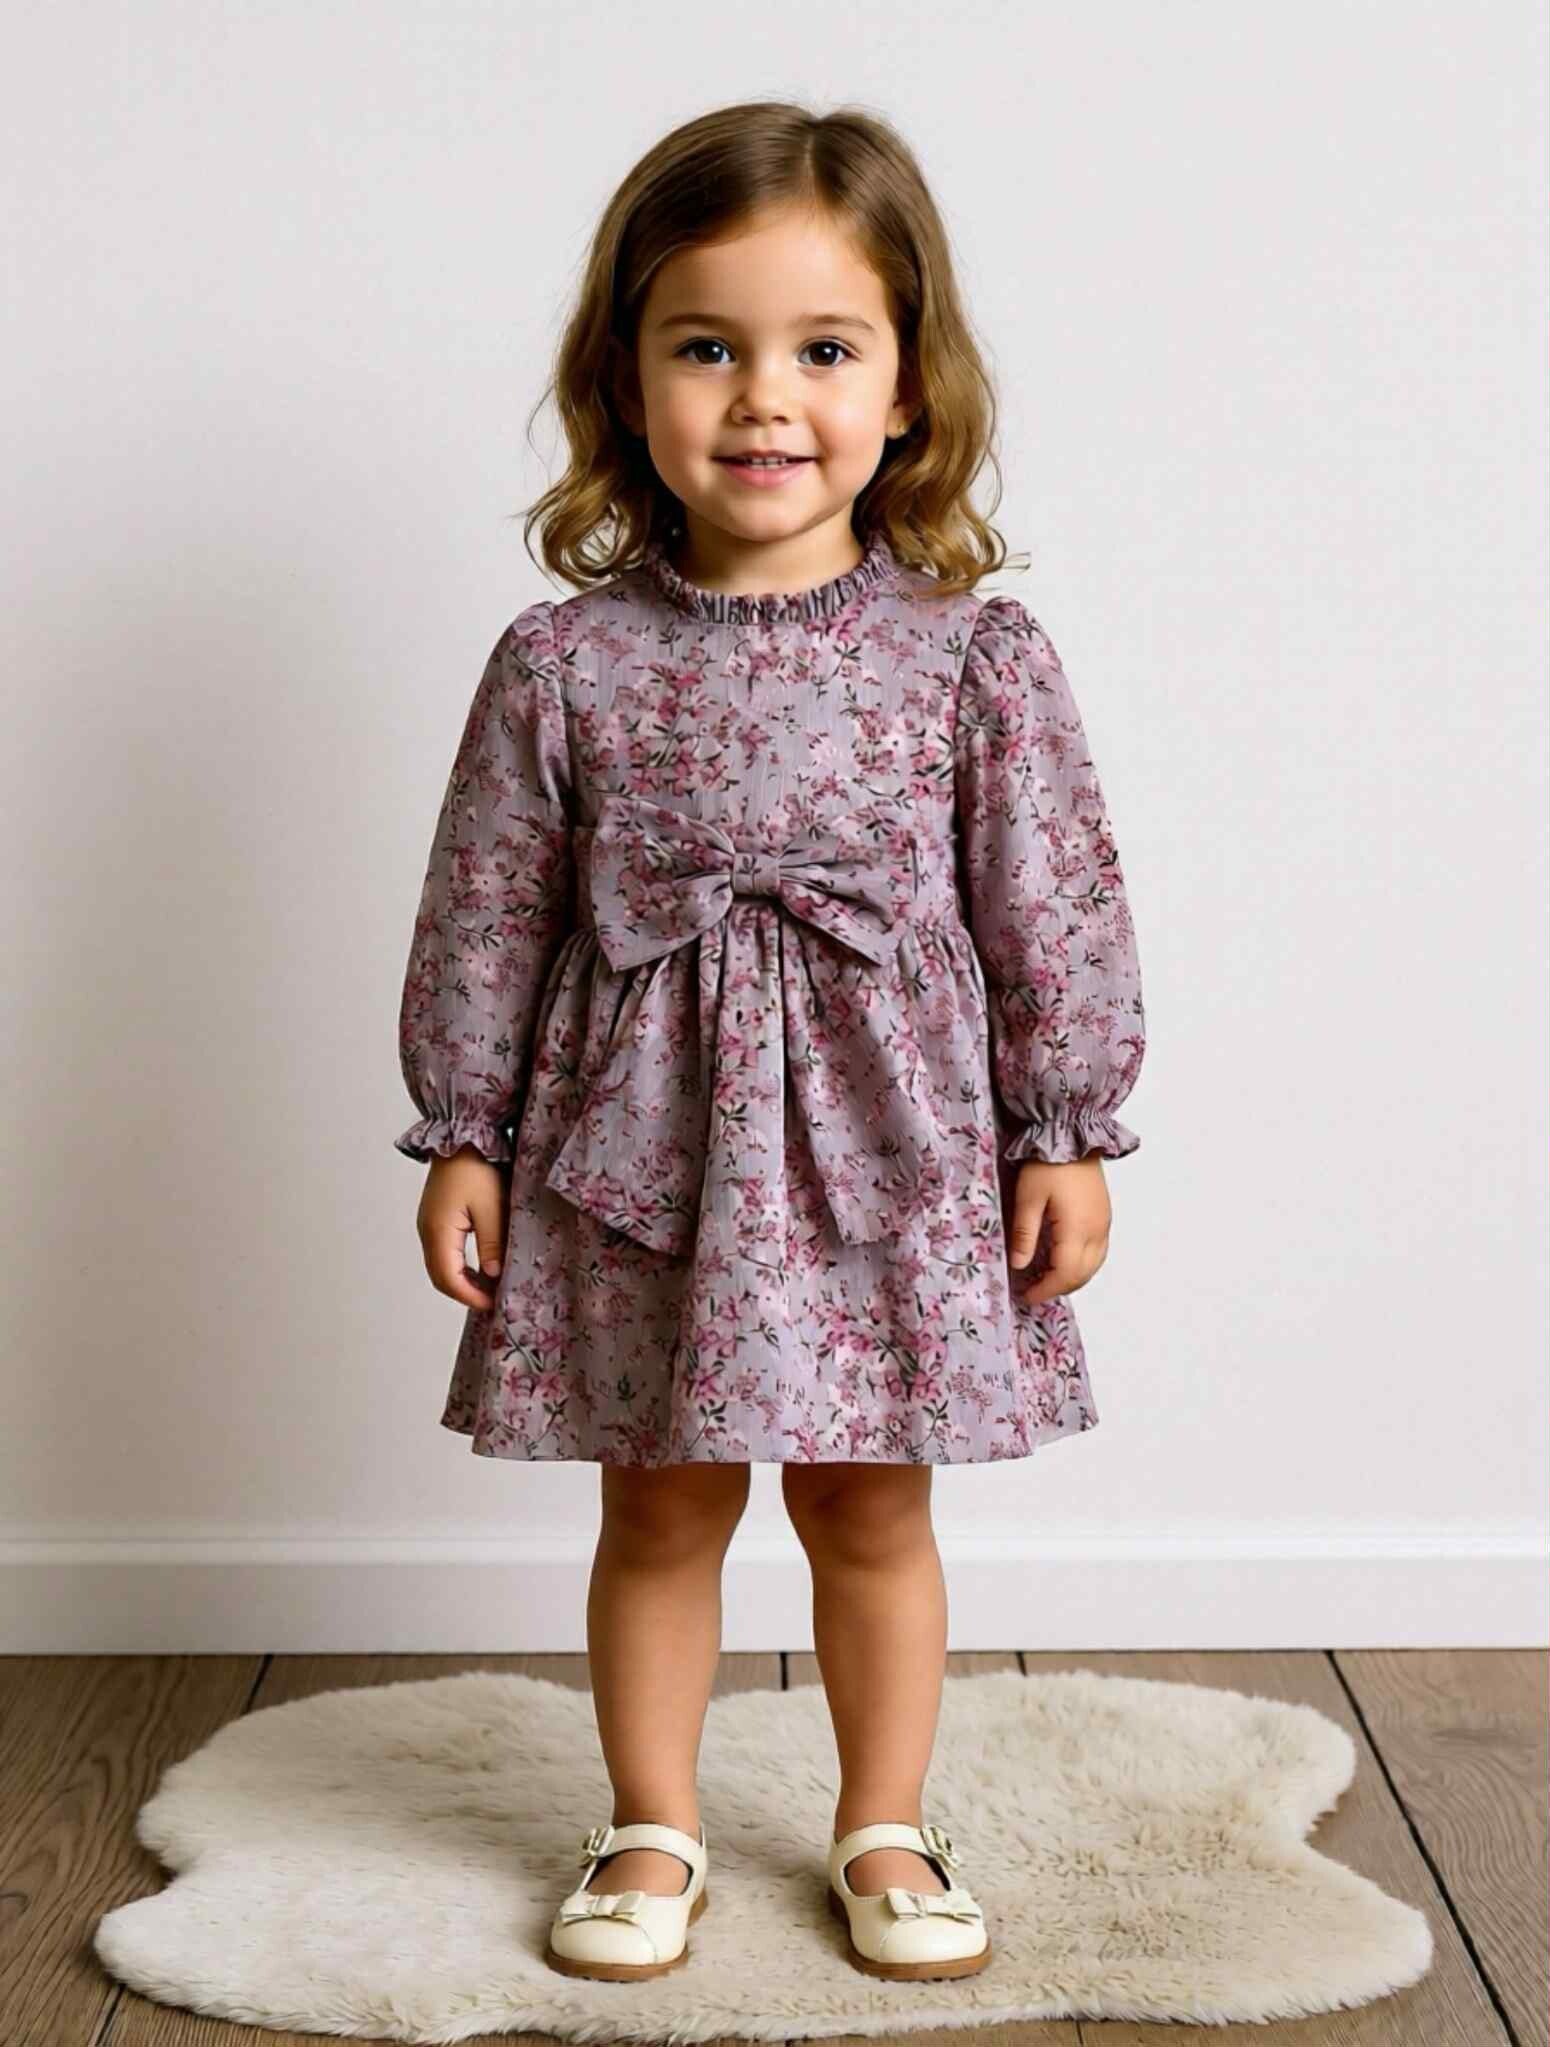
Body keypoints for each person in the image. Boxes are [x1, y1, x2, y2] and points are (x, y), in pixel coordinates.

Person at [393, 99, 1146, 1986]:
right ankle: (649, 1821)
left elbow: (1048, 900)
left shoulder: (970, 656)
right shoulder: (562, 663)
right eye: (706, 348)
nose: (763, 401)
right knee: (656, 1497)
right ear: (624, 378)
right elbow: (488, 909)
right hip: (639, 1154)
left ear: (906, 387)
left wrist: (1061, 1128)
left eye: (822, 350)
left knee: (868, 1498)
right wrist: (466, 1130)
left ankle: (883, 1821)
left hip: (892, 1152)